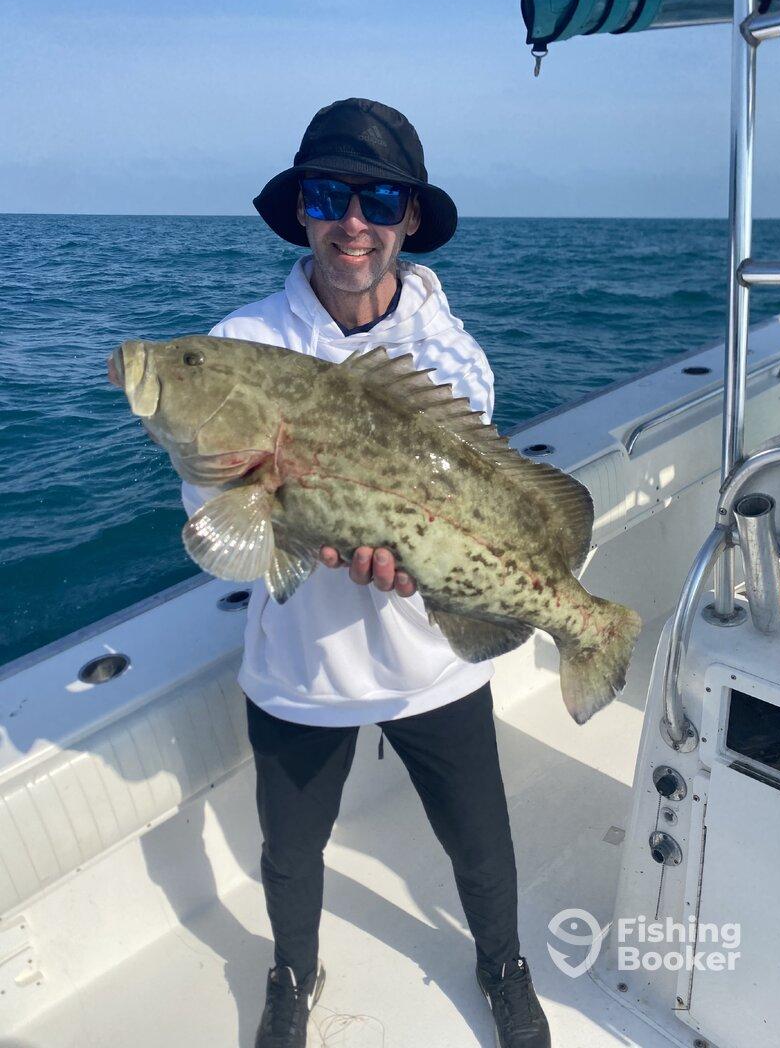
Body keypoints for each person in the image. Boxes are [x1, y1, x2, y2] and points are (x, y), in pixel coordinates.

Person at [181, 98, 551, 1048]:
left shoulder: (449, 356)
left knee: (480, 841)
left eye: (381, 197)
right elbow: (212, 509)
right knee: (291, 854)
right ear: (301, 209)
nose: (355, 220)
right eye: (330, 193)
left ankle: (503, 965)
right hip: (301, 669)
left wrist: (402, 554)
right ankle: (291, 976)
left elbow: (457, 505)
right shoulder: (242, 344)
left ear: (409, 221)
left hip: (432, 656)